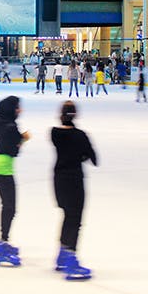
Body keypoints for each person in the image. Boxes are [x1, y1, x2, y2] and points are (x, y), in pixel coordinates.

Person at [52, 101, 97, 280]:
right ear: (76, 115)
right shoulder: (80, 136)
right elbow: (94, 159)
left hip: (59, 180)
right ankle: (71, 258)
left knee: (67, 216)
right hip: (75, 181)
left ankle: (62, 255)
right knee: (75, 219)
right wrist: (83, 151)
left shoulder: (54, 133)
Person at [0, 96, 29, 266]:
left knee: (8, 206)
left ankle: (4, 242)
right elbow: (13, 151)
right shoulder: (11, 126)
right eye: (18, 107)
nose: (20, 110)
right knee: (10, 207)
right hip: (3, 169)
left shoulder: (2, 123)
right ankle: (3, 245)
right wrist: (22, 140)